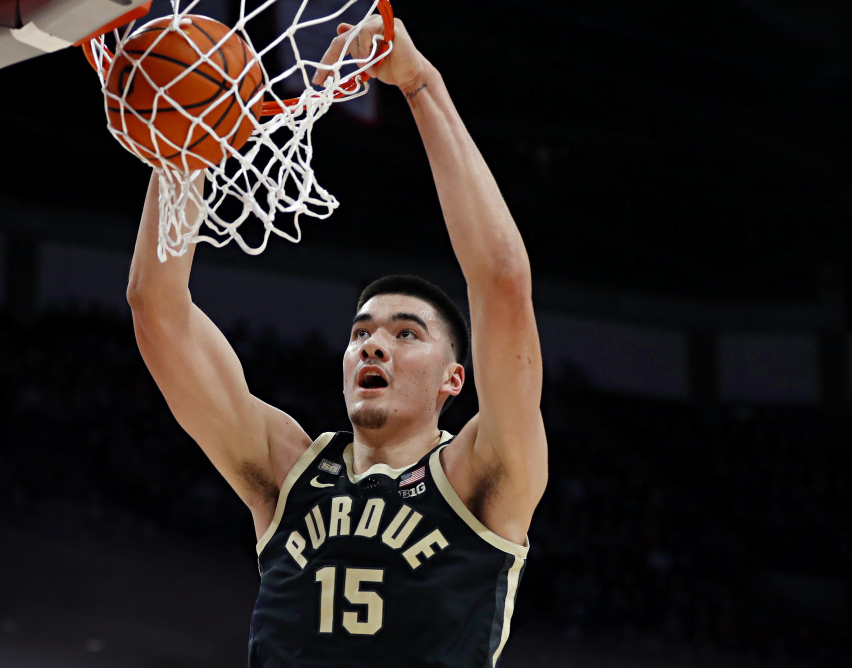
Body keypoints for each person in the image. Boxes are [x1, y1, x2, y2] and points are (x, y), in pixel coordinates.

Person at [126, 16, 547, 668]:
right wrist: (186, 151)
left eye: (406, 334)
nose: (374, 346)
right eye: (362, 334)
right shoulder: (287, 472)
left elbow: (502, 283)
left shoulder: (482, 476)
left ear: (452, 380)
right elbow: (157, 311)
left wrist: (420, 84)